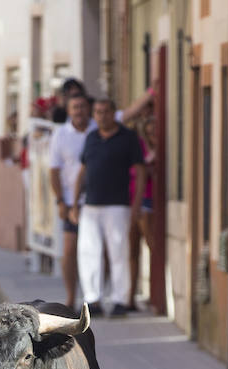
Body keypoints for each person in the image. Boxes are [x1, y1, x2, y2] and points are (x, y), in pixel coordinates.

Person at [69, 98, 145, 317]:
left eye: (106, 112)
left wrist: (137, 202)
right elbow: (82, 172)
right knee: (88, 252)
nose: (102, 116)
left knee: (119, 251)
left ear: (114, 113)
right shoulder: (91, 138)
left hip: (118, 205)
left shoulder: (128, 138)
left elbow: (140, 172)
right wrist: (75, 203)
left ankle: (120, 300)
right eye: (98, 112)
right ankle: (93, 299)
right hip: (91, 205)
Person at [49, 92, 95, 310]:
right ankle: (70, 297)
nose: (79, 111)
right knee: (69, 250)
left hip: (97, 199)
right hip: (70, 202)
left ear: (89, 109)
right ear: (68, 111)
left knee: (97, 251)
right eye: (75, 107)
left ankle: (93, 297)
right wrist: (60, 201)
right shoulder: (61, 135)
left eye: (82, 107)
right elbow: (54, 171)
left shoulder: (98, 129)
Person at [128, 117, 155, 310]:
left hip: (150, 202)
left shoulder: (161, 148)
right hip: (131, 201)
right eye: (148, 130)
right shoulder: (137, 147)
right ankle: (129, 297)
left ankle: (155, 295)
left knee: (152, 247)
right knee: (132, 251)